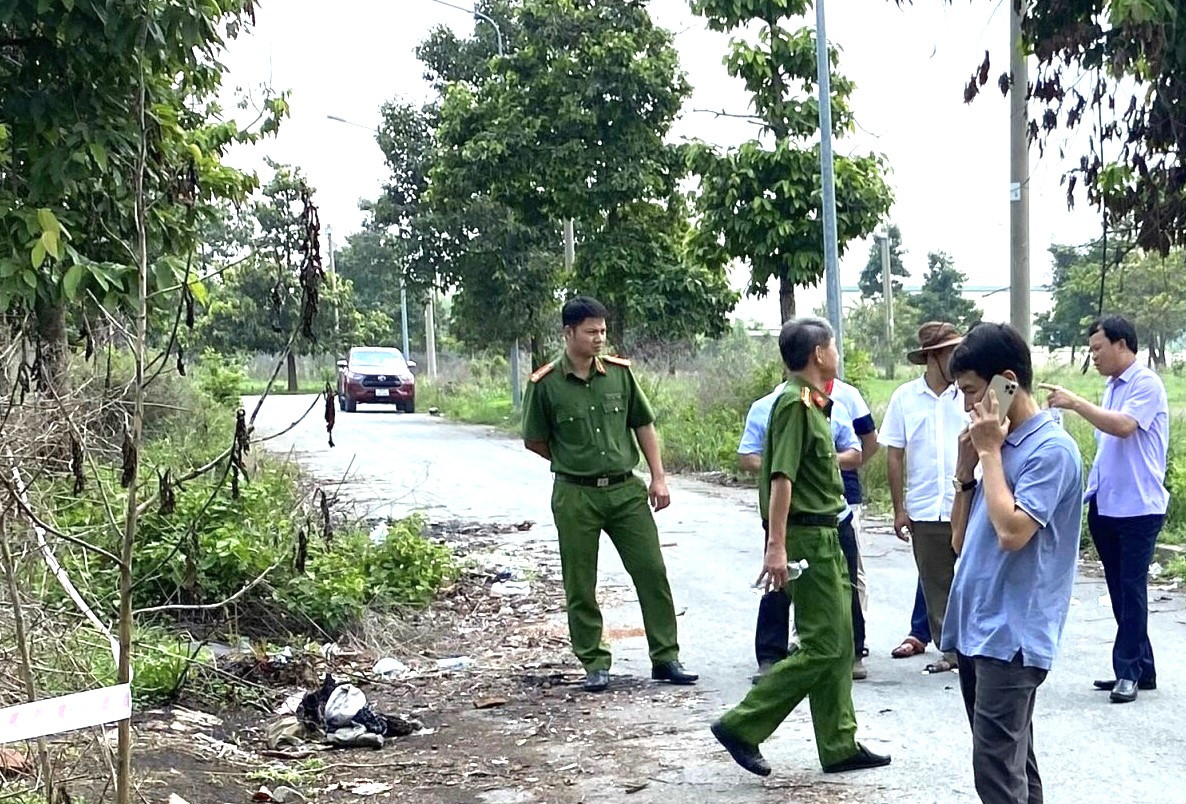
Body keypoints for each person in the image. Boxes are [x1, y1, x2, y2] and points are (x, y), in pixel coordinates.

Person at [711, 317, 891, 777]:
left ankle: (839, 742)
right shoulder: (793, 405)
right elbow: (781, 477)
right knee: (823, 644)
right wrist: (776, 546)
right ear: (817, 354)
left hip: (827, 531)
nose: (836, 352)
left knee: (840, 640)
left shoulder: (815, 402)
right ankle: (742, 724)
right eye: (832, 345)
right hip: (807, 535)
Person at [521, 296, 698, 693]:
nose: (599, 338)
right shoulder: (546, 383)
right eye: (591, 331)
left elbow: (643, 424)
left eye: (602, 330)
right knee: (580, 583)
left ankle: (666, 656)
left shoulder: (619, 374)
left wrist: (658, 477)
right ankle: (595, 662)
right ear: (568, 333)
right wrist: (572, 460)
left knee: (651, 572)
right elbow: (535, 439)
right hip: (575, 495)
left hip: (625, 491)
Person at [943, 322, 1082, 804]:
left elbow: (1012, 533)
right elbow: (959, 541)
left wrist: (988, 453)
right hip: (977, 626)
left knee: (995, 770)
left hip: (1013, 635)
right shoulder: (998, 447)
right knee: (1013, 763)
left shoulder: (1052, 450)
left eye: (972, 392)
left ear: (1006, 381)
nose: (967, 406)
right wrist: (967, 472)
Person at [1041, 314, 1168, 704]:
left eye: (1098, 348)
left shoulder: (1145, 383)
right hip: (1107, 505)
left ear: (1122, 345)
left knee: (1131, 590)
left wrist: (1076, 403)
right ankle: (1141, 667)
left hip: (1139, 508)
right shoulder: (1114, 387)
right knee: (1118, 590)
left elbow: (1124, 427)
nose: (1093, 356)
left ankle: (1126, 671)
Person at [739, 382, 867, 682]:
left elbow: (855, 451)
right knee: (779, 580)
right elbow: (751, 458)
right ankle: (771, 655)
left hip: (835, 514)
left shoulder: (831, 406)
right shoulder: (773, 406)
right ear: (817, 355)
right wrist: (786, 465)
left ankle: (852, 651)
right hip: (791, 515)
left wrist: (819, 461)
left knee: (843, 584)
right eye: (831, 348)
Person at [878, 321, 967, 673]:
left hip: (968, 502)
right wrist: (899, 509)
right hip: (926, 506)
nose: (959, 359)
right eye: (952, 353)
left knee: (972, 576)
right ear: (934, 357)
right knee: (936, 582)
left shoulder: (970, 394)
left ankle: (972, 646)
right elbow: (895, 455)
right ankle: (951, 651)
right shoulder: (905, 398)